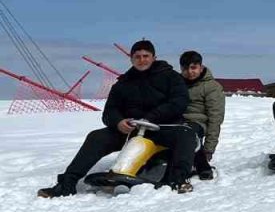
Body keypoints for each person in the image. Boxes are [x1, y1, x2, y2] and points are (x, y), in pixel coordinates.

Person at [37, 40, 197, 197]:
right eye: (137, 56)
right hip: (132, 129)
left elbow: (179, 102)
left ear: (154, 57)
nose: (142, 60)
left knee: (186, 135)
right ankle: (67, 184)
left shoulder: (171, 77)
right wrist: (118, 122)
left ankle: (178, 180)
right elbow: (109, 111)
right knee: (96, 137)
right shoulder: (123, 83)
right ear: (131, 59)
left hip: (162, 127)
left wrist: (150, 117)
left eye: (146, 56)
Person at [180, 50, 225, 181]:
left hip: (197, 124)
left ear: (201, 67)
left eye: (193, 67)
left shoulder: (212, 87)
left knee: (187, 133)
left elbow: (215, 117)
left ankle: (200, 165)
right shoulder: (177, 84)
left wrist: (208, 149)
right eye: (185, 68)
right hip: (176, 120)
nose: (190, 72)